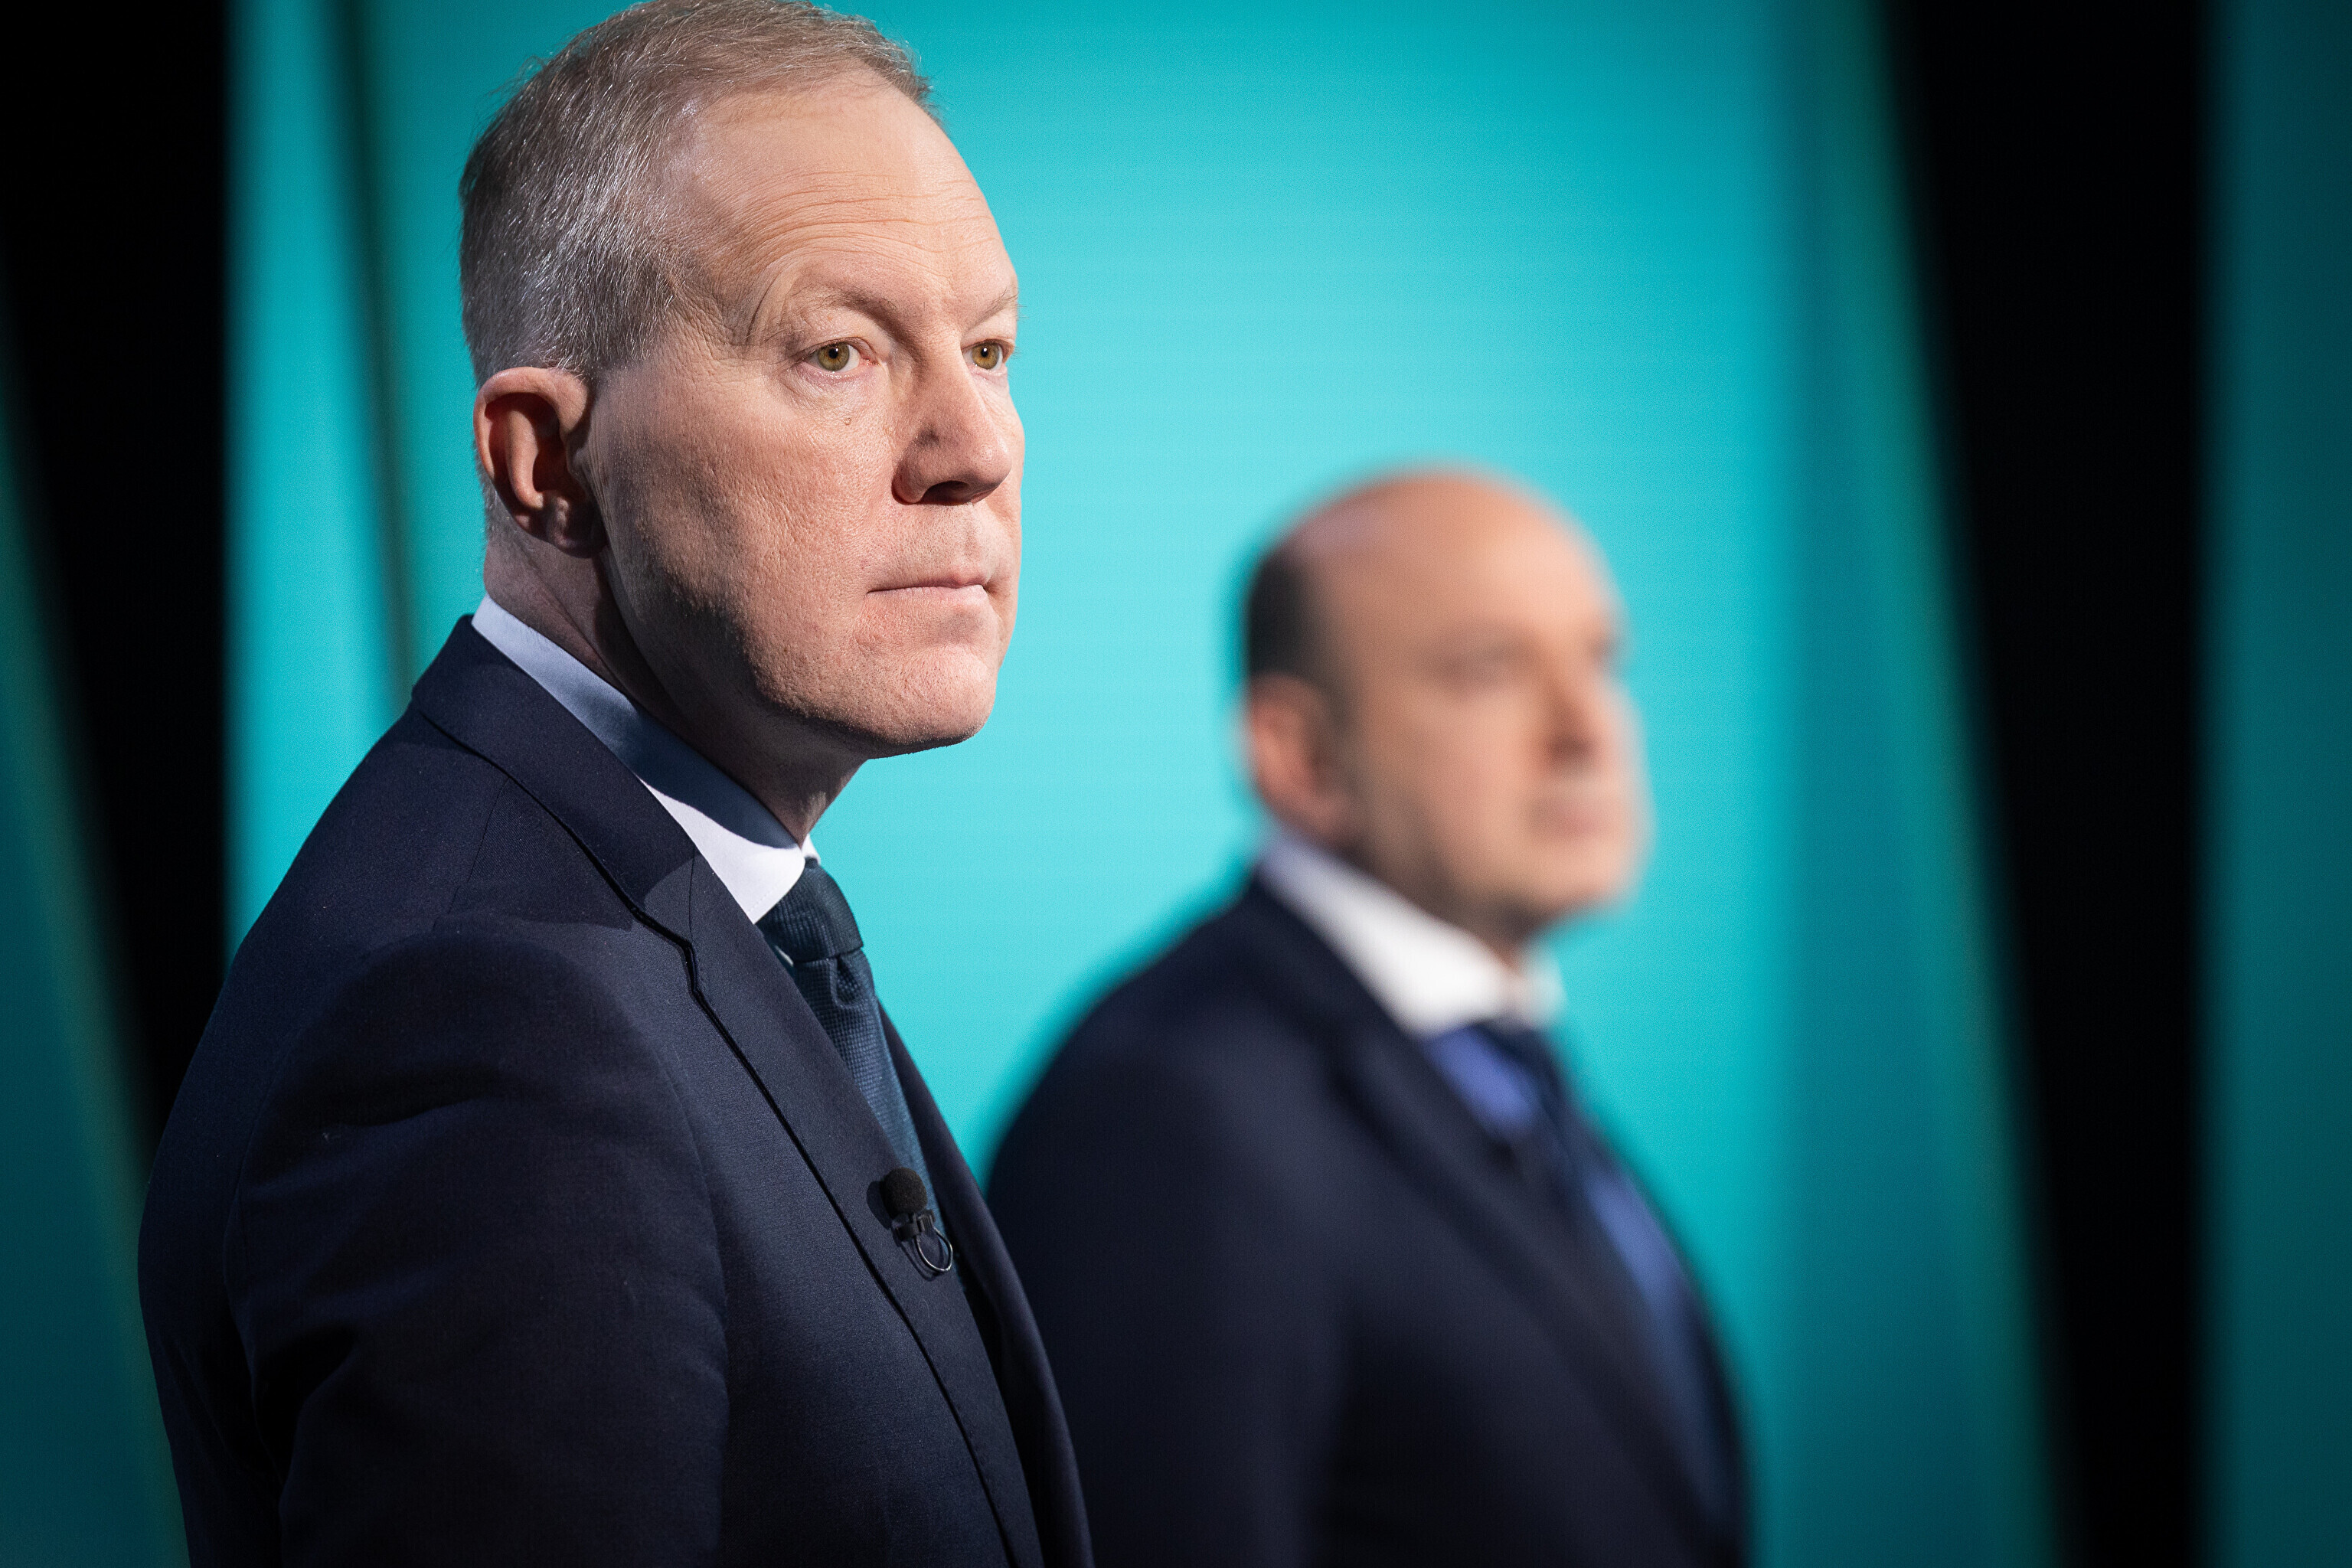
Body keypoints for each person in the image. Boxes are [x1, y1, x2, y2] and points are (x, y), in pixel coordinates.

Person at [139, 5, 1089, 1564]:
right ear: (548, 466)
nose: (976, 445)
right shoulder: (479, 1015)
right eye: (837, 352)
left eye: (989, 351)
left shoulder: (660, 902)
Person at [989, 470, 1745, 1568]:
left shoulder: (1500, 1060)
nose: (1588, 730)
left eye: (1601, 660)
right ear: (1301, 756)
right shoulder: (1166, 1115)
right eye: (1490, 669)